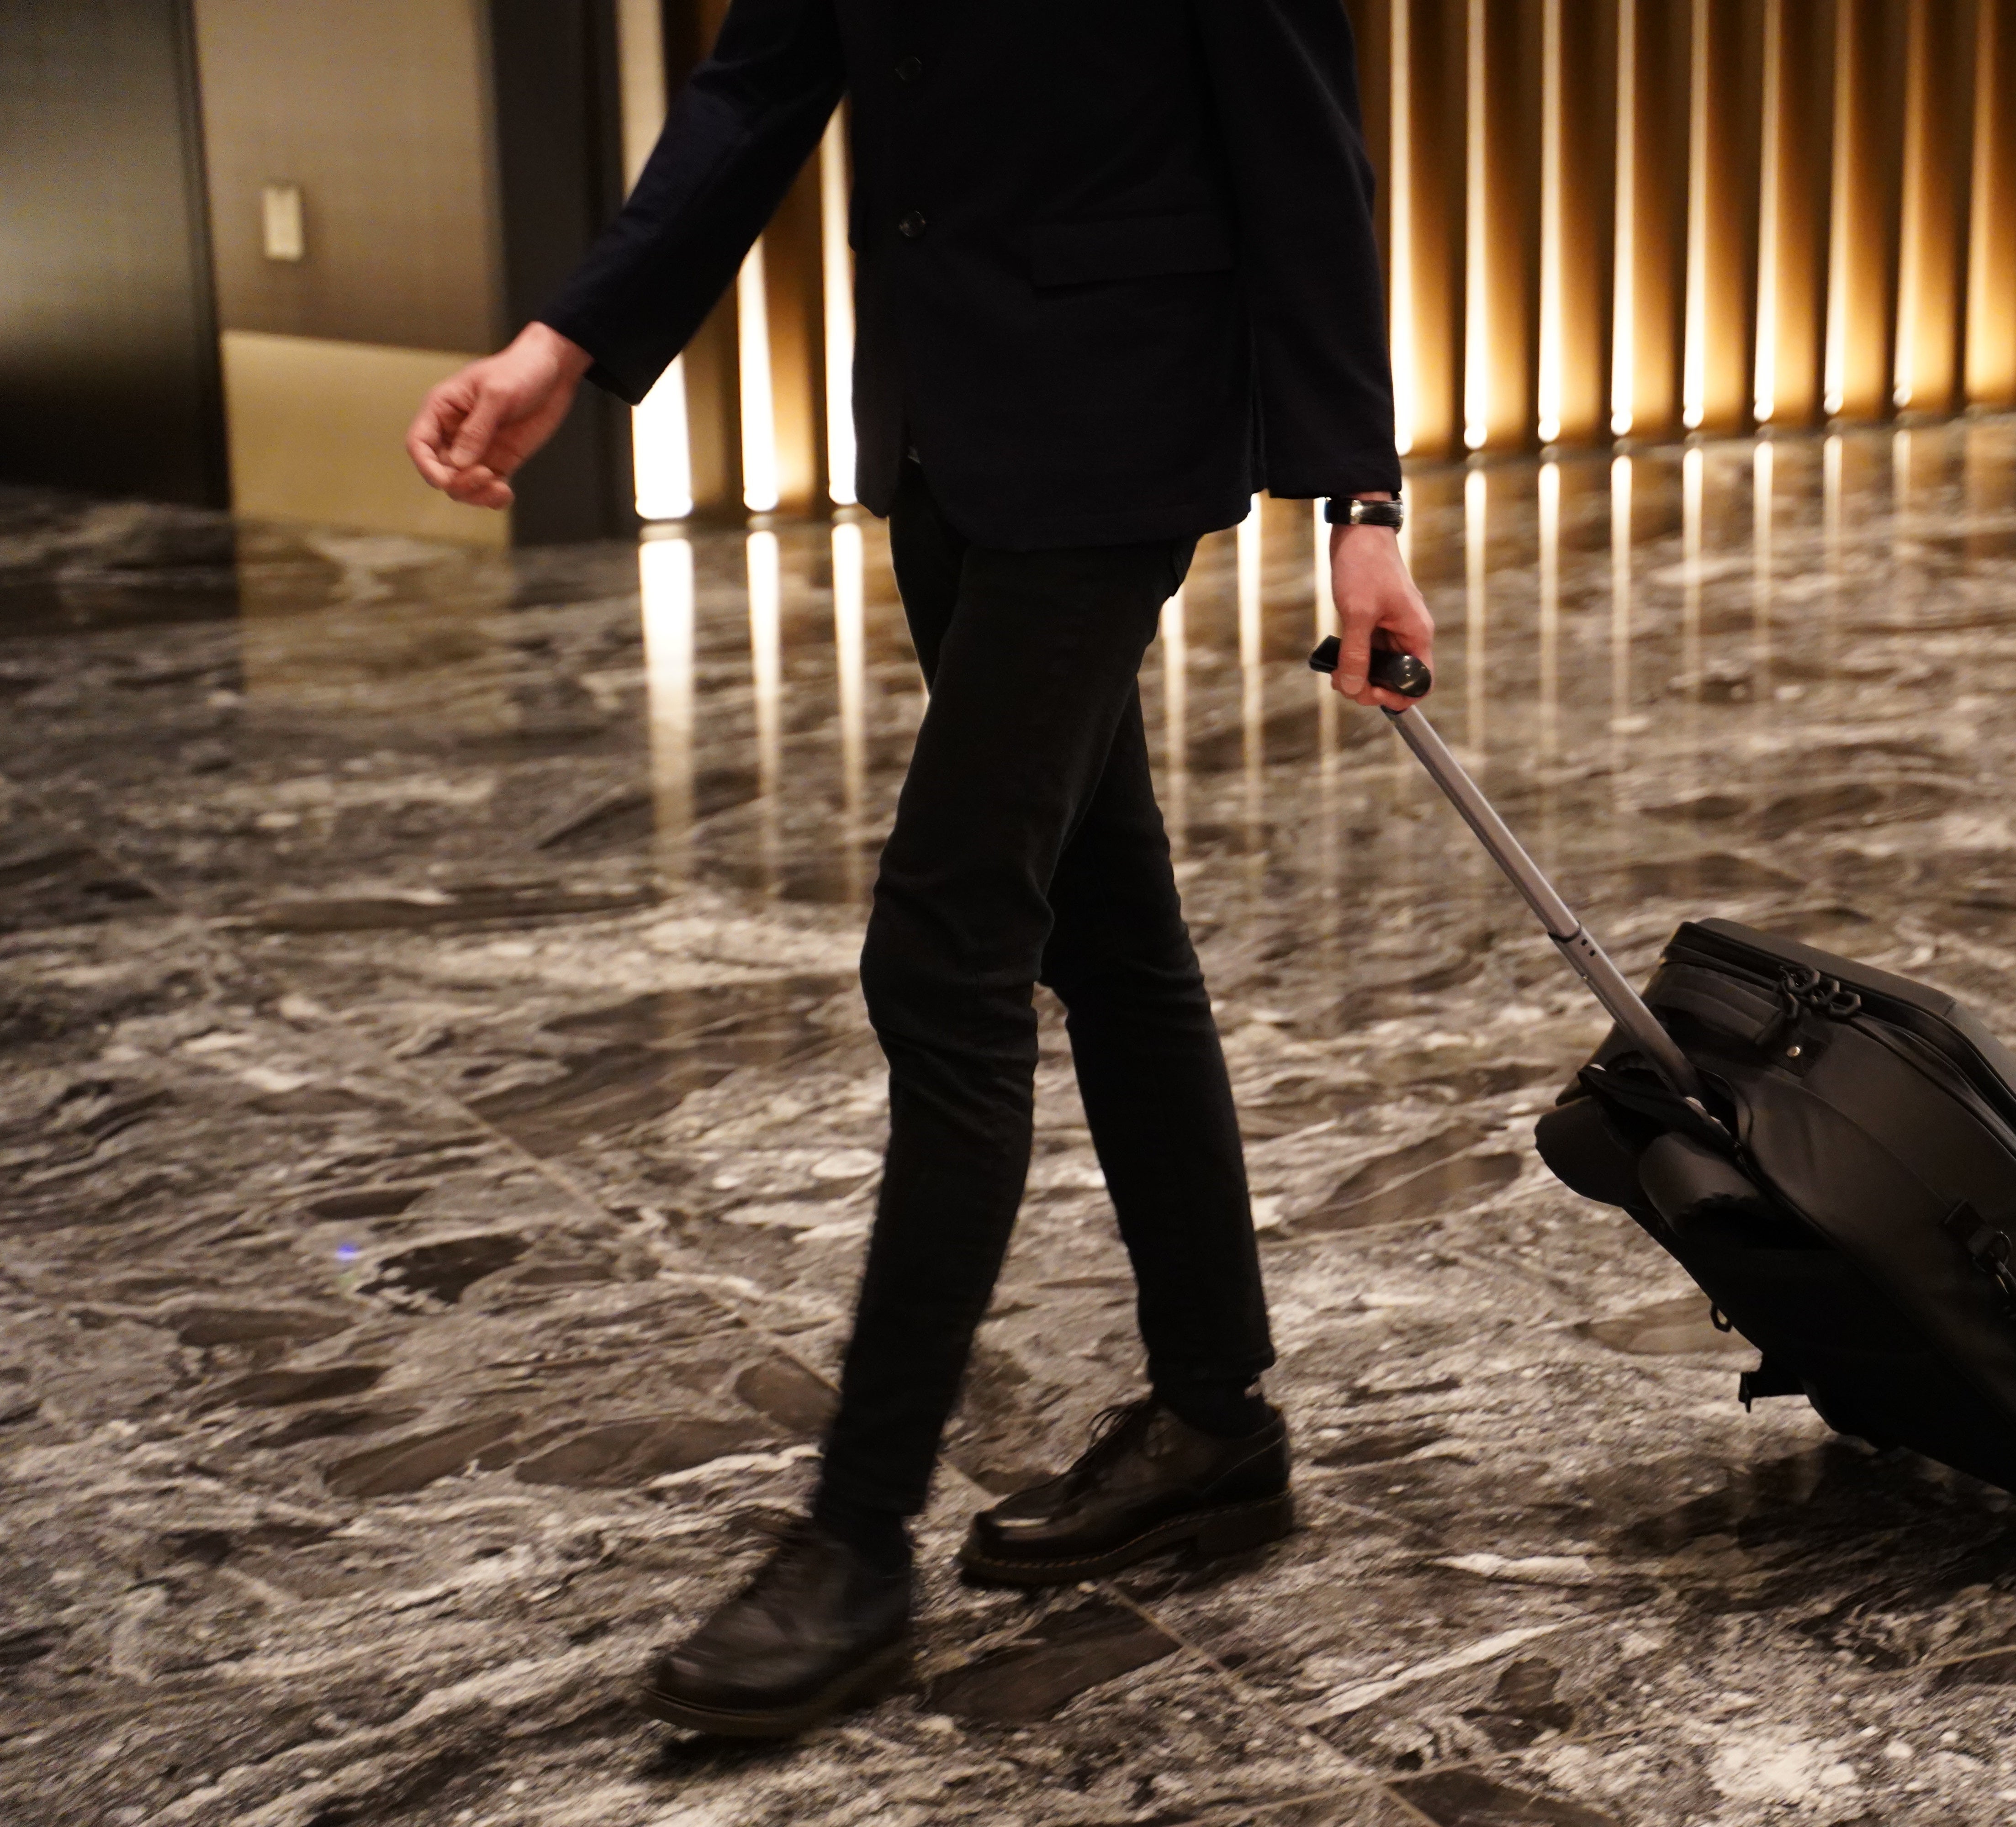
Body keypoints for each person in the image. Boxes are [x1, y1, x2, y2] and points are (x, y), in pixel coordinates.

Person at [407, 0, 1432, 1739]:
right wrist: (558, 346)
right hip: (944, 425)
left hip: (1117, 426)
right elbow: (756, 90)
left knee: (944, 954)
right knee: (1110, 930)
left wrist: (1363, 509)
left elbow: (1306, 164)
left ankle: (856, 1542)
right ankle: (1215, 1422)